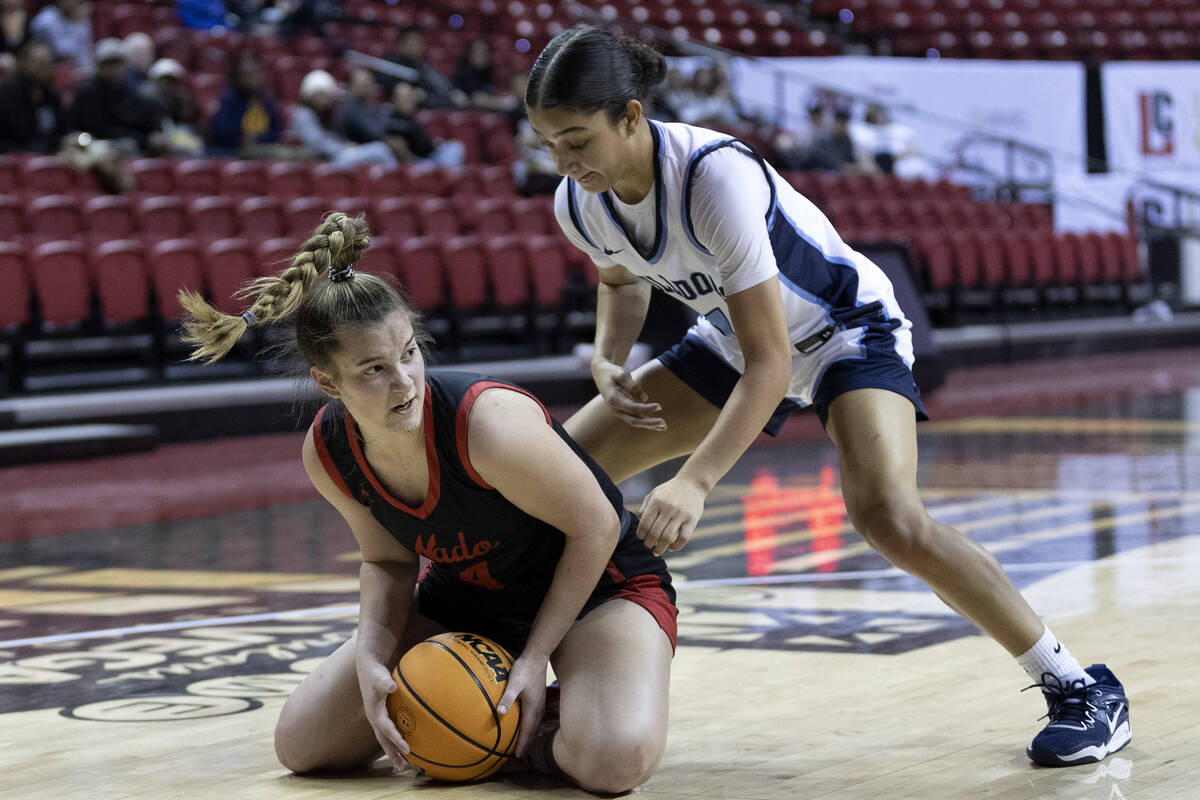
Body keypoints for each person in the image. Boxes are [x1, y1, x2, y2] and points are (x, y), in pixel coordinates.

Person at [525, 25, 1131, 769]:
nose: (563, 161)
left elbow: (772, 365)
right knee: (551, 481)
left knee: (888, 516)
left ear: (629, 115)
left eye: (576, 139)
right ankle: (519, 683)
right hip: (730, 342)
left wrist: (696, 480)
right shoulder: (578, 200)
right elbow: (619, 279)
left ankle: (1079, 687)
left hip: (845, 332)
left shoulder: (712, 176)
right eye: (549, 143)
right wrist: (609, 357)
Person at [176, 212, 676, 794]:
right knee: (305, 745)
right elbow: (387, 561)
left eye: (409, 354)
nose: (406, 382)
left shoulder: (487, 423)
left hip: (598, 588)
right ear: (329, 383)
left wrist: (534, 658)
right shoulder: (328, 450)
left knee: (613, 763)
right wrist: (373, 650)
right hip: (469, 599)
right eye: (374, 370)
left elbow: (595, 528)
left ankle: (540, 724)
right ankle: (500, 722)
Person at [67, 38, 166, 156]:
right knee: (128, 145)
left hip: (131, 139)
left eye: (117, 63)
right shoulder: (87, 93)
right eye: (109, 63)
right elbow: (99, 129)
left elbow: (142, 117)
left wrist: (153, 134)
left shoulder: (126, 91)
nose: (114, 68)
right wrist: (142, 139)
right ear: (99, 65)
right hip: (94, 142)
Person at [289, 69, 400, 167]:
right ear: (309, 95)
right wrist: (343, 148)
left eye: (326, 95)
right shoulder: (303, 114)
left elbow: (329, 138)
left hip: (329, 158)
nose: (324, 99)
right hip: (316, 162)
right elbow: (317, 143)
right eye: (319, 95)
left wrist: (345, 145)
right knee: (379, 149)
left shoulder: (326, 114)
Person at [209, 51, 288, 157]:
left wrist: (257, 137)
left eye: (256, 73)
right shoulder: (229, 100)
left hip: (264, 148)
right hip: (237, 152)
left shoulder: (267, 100)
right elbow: (225, 135)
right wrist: (246, 138)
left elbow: (276, 132)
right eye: (248, 75)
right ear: (237, 78)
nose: (253, 78)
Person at [0, 40, 65, 154]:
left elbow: (63, 128)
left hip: (48, 152)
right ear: (22, 63)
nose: (44, 68)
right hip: (15, 157)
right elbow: (22, 136)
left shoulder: (51, 94)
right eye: (39, 63)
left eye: (48, 63)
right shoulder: (7, 95)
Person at [29, 0, 91, 70]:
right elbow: (63, 51)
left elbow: (85, 53)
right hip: (51, 69)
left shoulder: (81, 16)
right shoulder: (46, 20)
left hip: (79, 70)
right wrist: (76, 24)